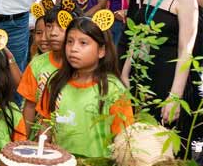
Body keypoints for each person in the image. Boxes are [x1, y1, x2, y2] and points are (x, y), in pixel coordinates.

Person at [122, 0, 198, 140]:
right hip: (141, 77)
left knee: (161, 148)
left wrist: (175, 96)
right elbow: (138, 36)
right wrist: (125, 73)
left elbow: (186, 50)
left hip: (168, 79)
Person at [39, 16, 133, 157]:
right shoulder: (55, 83)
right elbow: (45, 129)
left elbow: (123, 139)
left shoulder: (113, 90)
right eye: (70, 42)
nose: (73, 49)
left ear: (101, 51)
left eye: (83, 43)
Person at [19, 4, 80, 134]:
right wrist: (23, 139)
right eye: (49, 26)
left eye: (60, 26)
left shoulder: (80, 65)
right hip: (41, 135)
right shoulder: (37, 64)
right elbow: (29, 106)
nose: (53, 33)